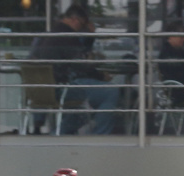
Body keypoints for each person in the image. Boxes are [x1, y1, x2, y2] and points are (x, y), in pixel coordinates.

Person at [28, 4, 120, 135]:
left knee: (82, 106)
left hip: (40, 91)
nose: (81, 29)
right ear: (75, 20)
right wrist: (101, 76)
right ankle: (100, 135)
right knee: (111, 91)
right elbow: (82, 64)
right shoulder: (67, 35)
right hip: (61, 88)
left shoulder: (45, 36)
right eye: (82, 25)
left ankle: (58, 133)